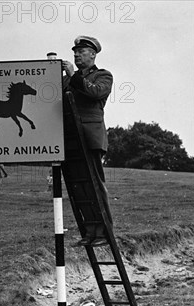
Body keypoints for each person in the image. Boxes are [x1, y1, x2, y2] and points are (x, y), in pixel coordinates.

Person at [62, 35, 113, 247]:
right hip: (71, 139)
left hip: (90, 138)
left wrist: (73, 75)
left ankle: (103, 233)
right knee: (79, 188)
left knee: (94, 186)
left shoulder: (103, 75)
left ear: (92, 54)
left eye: (81, 52)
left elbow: (94, 92)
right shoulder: (67, 79)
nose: (76, 55)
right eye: (75, 52)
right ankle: (90, 232)